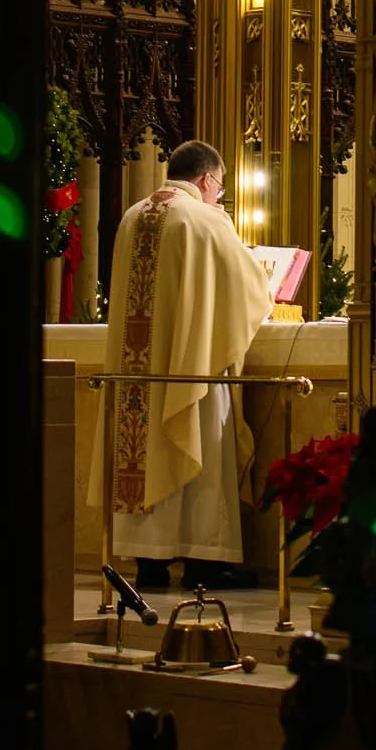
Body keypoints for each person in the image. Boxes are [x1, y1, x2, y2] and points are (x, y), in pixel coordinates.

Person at [88, 140, 273, 591]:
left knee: (143, 449)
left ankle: (149, 563)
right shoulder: (205, 218)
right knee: (201, 446)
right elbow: (249, 289)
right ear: (208, 180)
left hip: (138, 374)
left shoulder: (133, 216)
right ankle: (204, 562)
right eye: (220, 188)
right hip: (191, 370)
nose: (219, 196)